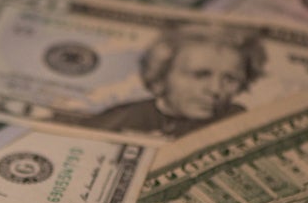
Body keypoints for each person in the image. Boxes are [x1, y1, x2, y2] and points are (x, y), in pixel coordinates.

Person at [86, 25, 267, 138]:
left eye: (230, 79)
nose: (215, 89)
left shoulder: (238, 120)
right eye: (200, 75)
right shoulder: (118, 121)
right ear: (162, 76)